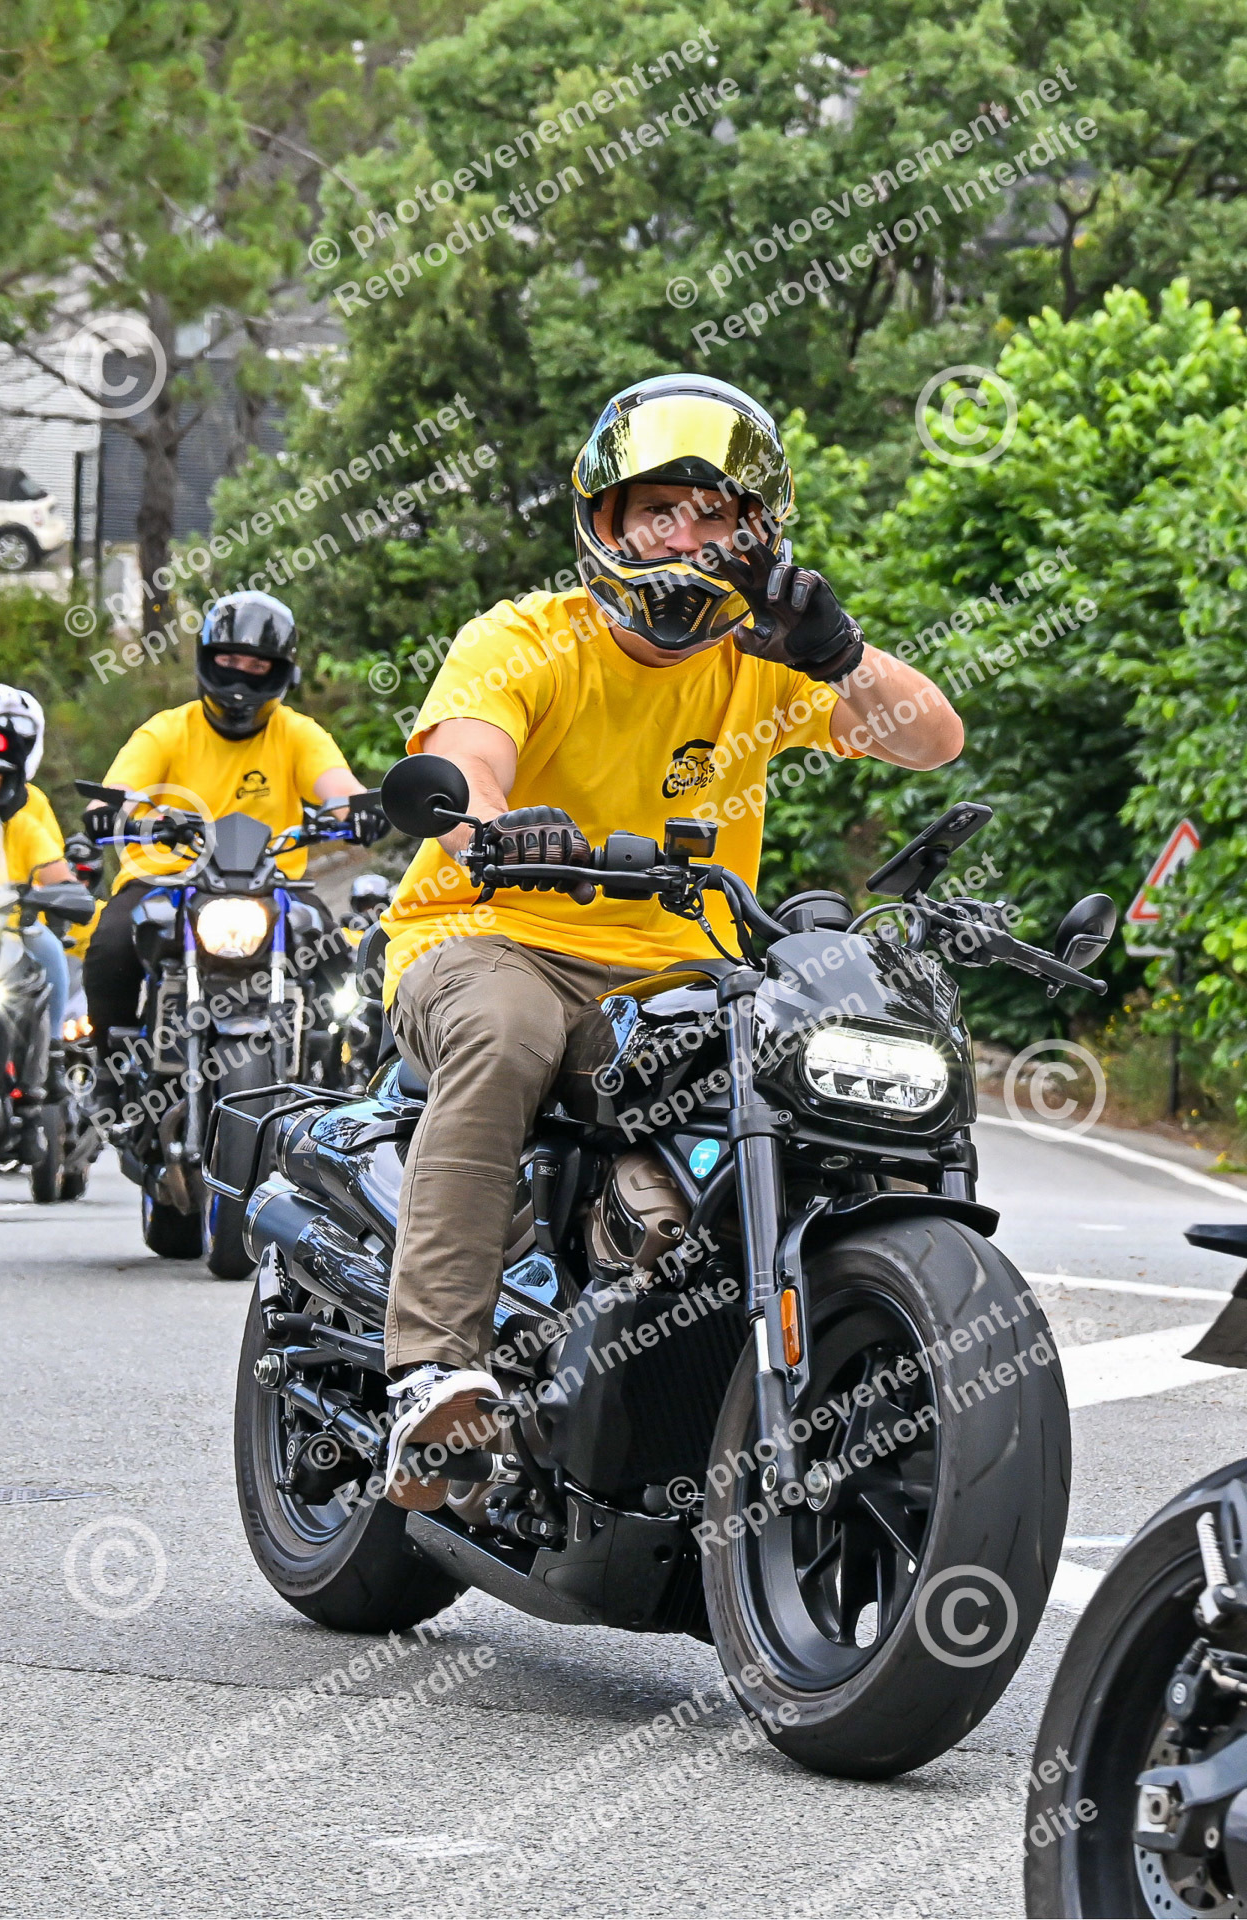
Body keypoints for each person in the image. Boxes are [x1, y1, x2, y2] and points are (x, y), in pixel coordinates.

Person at [377, 372, 966, 1509]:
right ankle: (434, 1374)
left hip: (682, 971)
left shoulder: (762, 659)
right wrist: (496, 828)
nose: (684, 540)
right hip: (495, 938)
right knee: (505, 1034)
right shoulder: (525, 639)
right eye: (658, 512)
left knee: (823, 1078)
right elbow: (464, 766)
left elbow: (932, 739)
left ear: (757, 536)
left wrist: (840, 653)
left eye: (712, 516)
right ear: (606, 520)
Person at [81, 590, 381, 1083]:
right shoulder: (165, 731)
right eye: (229, 660)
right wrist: (108, 814)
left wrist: (361, 813)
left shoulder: (298, 733)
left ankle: (334, 1067)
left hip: (273, 886)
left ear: (280, 670)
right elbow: (117, 794)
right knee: (111, 944)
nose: (241, 675)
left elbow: (340, 789)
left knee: (333, 952)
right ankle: (109, 1074)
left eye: (256, 664)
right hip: (167, 882)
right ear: (207, 659)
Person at [0, 695, 77, 1160]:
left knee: (49, 949)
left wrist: (62, 894)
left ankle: (50, 1059)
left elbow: (60, 877)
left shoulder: (28, 820)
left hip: (10, 929)